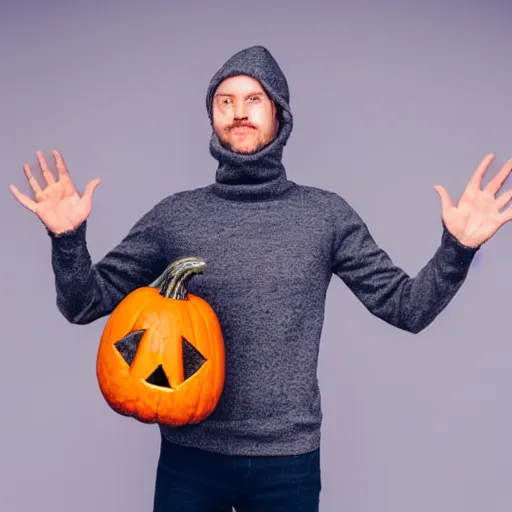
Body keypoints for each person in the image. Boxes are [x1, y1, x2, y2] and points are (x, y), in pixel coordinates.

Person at [9, 45, 512, 511]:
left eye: (253, 99)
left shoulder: (325, 216)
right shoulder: (174, 217)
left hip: (287, 462)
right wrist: (68, 239)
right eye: (225, 101)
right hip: (189, 458)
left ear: (279, 114)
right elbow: (82, 305)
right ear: (212, 116)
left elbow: (408, 308)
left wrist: (458, 249)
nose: (239, 111)